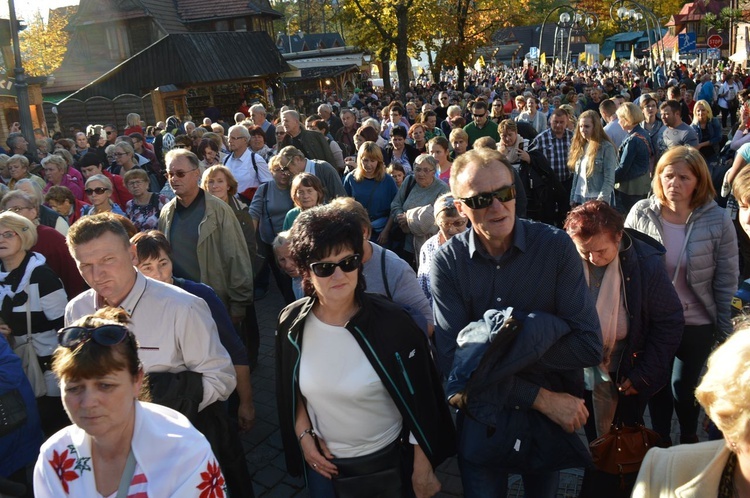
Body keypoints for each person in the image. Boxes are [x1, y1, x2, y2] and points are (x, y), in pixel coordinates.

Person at [431, 148, 602, 497]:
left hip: (545, 427)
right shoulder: (448, 263)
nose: (497, 207)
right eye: (480, 199)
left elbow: (588, 345)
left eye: (504, 193)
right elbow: (453, 367)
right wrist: (539, 396)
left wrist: (491, 360)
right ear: (460, 207)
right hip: (491, 419)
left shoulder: (555, 248)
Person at [275, 204, 455, 498]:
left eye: (348, 262)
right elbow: (290, 389)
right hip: (324, 470)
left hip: (389, 465)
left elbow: (424, 399)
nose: (338, 275)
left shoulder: (395, 322)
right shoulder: (292, 324)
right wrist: (304, 436)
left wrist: (422, 468)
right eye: (324, 267)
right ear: (305, 271)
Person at [63, 214, 245, 495]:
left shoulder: (182, 306)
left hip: (175, 452)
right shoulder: (76, 310)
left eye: (107, 260)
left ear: (132, 253)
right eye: (85, 265)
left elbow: (221, 378)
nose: (96, 275)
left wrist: (165, 405)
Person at [33, 308, 227, 497]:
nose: (87, 402)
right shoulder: (55, 456)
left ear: (137, 380)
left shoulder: (185, 454)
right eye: (74, 388)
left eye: (105, 385)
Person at [563, 201, 684, 496]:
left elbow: (669, 322)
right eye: (584, 252)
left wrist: (643, 375)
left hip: (626, 374)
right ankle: (602, 479)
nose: (592, 259)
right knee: (596, 436)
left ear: (618, 237)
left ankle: (618, 484)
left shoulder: (646, 264)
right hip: (579, 371)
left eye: (600, 251)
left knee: (623, 439)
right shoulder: (563, 258)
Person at [625, 145, 739, 446]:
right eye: (668, 175)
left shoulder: (717, 220)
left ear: (699, 181)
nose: (674, 183)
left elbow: (726, 278)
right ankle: (660, 441)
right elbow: (624, 268)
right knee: (655, 386)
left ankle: (688, 436)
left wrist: (728, 335)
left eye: (684, 177)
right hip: (653, 322)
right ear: (657, 176)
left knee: (683, 387)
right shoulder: (641, 212)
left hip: (696, 322)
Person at [131, 231, 255, 432]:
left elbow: (235, 350)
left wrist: (246, 403)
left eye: (163, 263)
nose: (159, 274)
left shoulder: (199, 295)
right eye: (147, 268)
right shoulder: (129, 305)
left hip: (204, 403)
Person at [633, 325, 750, 497]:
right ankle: (664, 437)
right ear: (731, 431)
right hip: (666, 334)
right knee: (670, 389)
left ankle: (687, 434)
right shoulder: (664, 470)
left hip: (698, 330)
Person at [158, 149, 253, 325]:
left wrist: (239, 303)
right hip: (180, 303)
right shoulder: (167, 212)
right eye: (169, 174)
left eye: (180, 173)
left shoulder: (219, 210)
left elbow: (237, 256)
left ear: (196, 174)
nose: (174, 179)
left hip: (214, 301)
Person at [0, 212, 68, 436]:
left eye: (8, 234)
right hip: (14, 365)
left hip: (47, 367)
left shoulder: (41, 275)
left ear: (23, 237)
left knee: (50, 427)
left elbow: (63, 325)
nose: (2, 240)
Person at [250, 156, 296, 303]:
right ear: (271, 172)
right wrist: (251, 240)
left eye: (286, 169)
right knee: (282, 278)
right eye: (278, 170)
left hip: (294, 242)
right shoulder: (264, 189)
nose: (283, 173)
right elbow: (254, 213)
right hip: (271, 243)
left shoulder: (296, 188)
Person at [390, 154, 450, 264]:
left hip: (428, 247)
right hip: (404, 243)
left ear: (434, 172)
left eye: (426, 170)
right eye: (417, 169)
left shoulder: (442, 189)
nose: (421, 174)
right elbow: (395, 204)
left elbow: (438, 219)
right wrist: (400, 218)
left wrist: (408, 219)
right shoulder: (409, 181)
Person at [343, 142, 399, 246]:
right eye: (365, 160)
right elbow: (344, 206)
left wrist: (386, 231)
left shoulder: (387, 180)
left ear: (378, 161)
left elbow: (395, 207)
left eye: (372, 161)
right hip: (358, 231)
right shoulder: (351, 178)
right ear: (360, 160)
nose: (369, 165)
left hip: (380, 232)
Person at [417, 193, 468, 306]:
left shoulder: (479, 245)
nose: (452, 230)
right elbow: (423, 291)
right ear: (437, 222)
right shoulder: (428, 247)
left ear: (467, 219)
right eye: (446, 224)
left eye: (458, 223)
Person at [568, 109, 618, 206]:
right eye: (581, 126)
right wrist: (572, 198)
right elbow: (577, 176)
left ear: (595, 127)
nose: (583, 129)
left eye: (587, 126)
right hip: (579, 198)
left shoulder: (606, 147)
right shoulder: (580, 146)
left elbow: (609, 179)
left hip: (597, 198)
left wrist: (600, 200)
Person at [615, 102, 653, 213]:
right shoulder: (643, 133)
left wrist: (609, 180)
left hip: (631, 187)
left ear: (626, 119)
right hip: (642, 183)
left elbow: (623, 167)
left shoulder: (633, 140)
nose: (618, 122)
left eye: (620, 118)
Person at [223, 124, 273, 203]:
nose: (230, 141)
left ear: (245, 140)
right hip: (229, 206)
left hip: (249, 207)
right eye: (228, 138)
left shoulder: (256, 160)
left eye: (233, 138)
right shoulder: (225, 160)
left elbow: (269, 185)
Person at [690, 99, 723, 169]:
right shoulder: (693, 126)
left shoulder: (714, 121)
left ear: (708, 111)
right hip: (698, 154)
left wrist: (701, 145)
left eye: (703, 110)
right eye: (698, 111)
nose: (701, 113)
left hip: (713, 152)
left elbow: (718, 137)